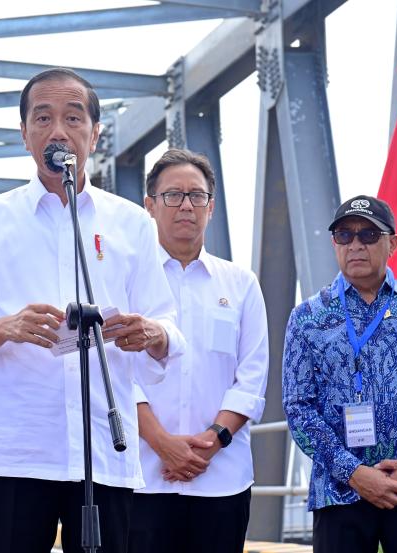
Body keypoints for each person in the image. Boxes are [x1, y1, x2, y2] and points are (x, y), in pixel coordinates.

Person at [0, 68, 184, 553]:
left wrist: (150, 333)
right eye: (43, 118)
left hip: (104, 447)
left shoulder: (132, 222)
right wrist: (6, 327)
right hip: (18, 450)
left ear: (94, 133)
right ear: (24, 134)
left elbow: (169, 327)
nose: (58, 131)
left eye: (73, 118)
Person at [282, 195, 397, 553]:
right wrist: (353, 472)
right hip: (339, 494)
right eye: (344, 235)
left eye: (368, 234)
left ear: (392, 243)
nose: (355, 245)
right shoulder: (307, 318)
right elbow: (298, 408)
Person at [127, 149, 268, 553]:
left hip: (222, 476)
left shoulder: (241, 284)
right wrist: (161, 443)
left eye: (197, 195)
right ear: (150, 206)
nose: (186, 205)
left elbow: (252, 375)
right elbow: (117, 373)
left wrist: (214, 438)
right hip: (143, 477)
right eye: (173, 195)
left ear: (211, 207)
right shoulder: (126, 280)